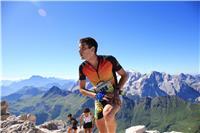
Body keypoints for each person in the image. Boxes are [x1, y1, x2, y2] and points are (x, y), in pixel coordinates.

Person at [78, 37, 128, 133]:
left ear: (92, 49)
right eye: (79, 48)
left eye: (83, 48)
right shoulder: (82, 67)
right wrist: (96, 95)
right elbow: (81, 89)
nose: (79, 51)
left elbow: (124, 75)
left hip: (114, 94)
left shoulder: (109, 60)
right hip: (99, 97)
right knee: (101, 128)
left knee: (108, 115)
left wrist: (117, 92)